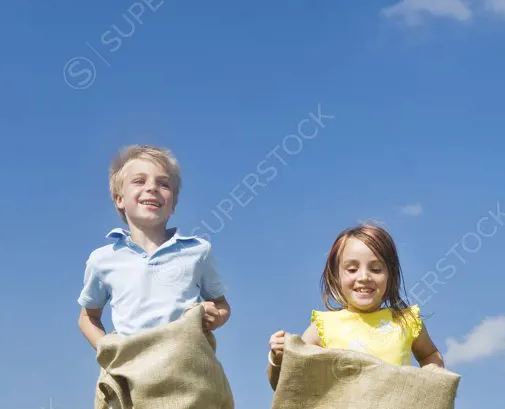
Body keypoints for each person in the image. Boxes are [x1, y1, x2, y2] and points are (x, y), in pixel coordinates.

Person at [77, 144, 230, 346]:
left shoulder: (197, 251)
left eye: (164, 184)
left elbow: (221, 304)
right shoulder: (102, 260)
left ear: (173, 203)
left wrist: (217, 317)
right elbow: (87, 317)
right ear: (119, 199)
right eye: (139, 181)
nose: (152, 188)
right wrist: (108, 351)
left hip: (186, 366)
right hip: (132, 370)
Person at [267, 223, 443, 387]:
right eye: (352, 269)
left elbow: (429, 355)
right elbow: (286, 383)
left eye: (376, 269)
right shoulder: (323, 327)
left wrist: (430, 381)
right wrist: (278, 358)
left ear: (390, 275)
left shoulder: (406, 321)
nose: (364, 277)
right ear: (336, 276)